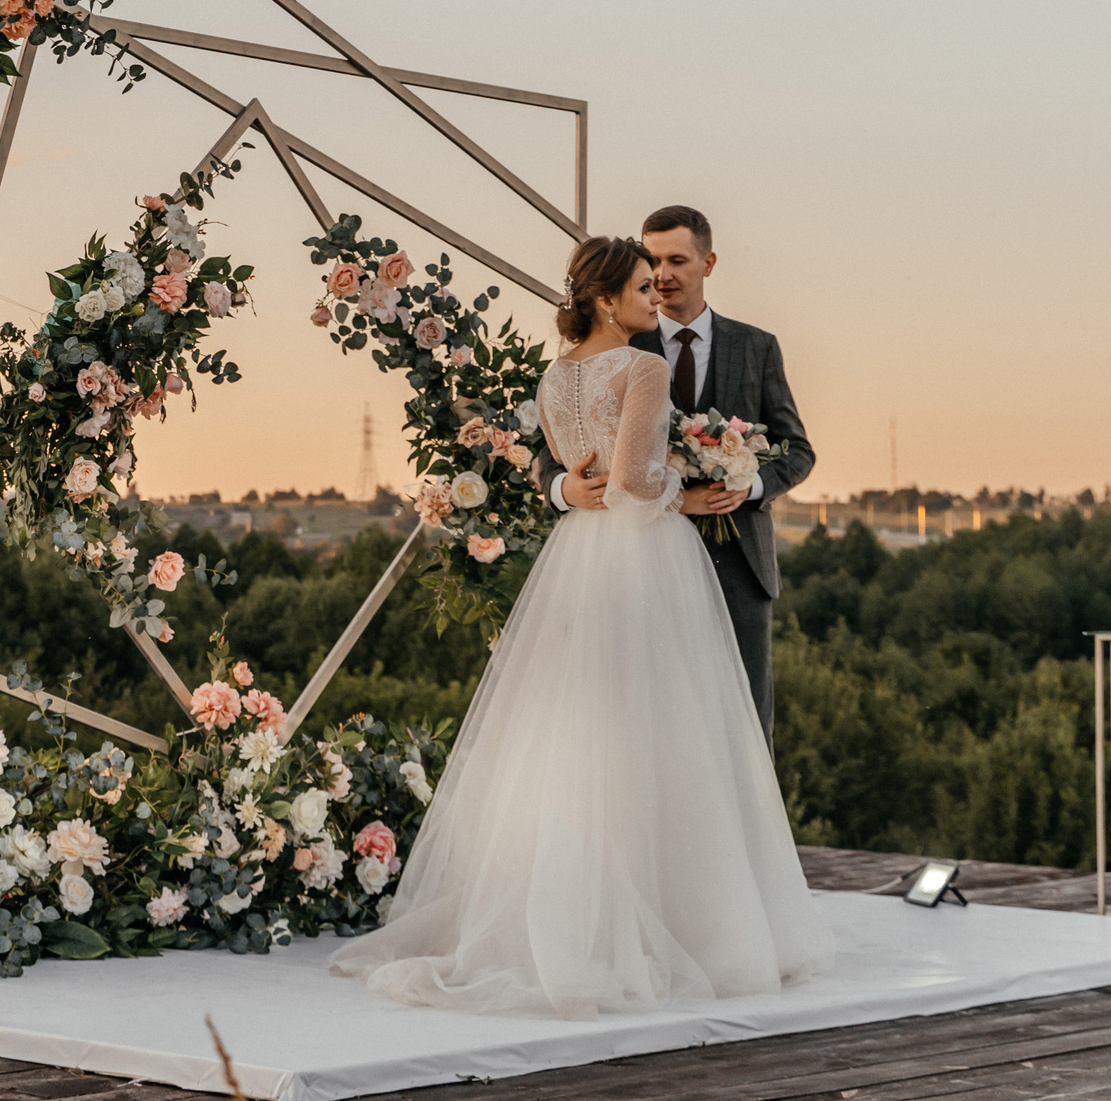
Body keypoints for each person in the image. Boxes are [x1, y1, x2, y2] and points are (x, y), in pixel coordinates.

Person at [328, 237, 828, 1020]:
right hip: (643, 556)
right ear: (605, 299)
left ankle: (572, 915)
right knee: (662, 729)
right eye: (638, 286)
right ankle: (679, 922)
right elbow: (632, 478)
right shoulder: (644, 366)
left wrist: (579, 484)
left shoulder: (554, 374)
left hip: (580, 555)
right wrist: (686, 493)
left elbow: (573, 464)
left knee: (578, 733)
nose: (652, 298)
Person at [535, 205, 812, 733]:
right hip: (634, 562)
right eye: (652, 262)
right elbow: (551, 453)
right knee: (644, 722)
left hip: (738, 565)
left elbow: (797, 448)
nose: (661, 276)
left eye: (677, 260)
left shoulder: (756, 346)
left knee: (743, 726)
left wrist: (746, 485)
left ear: (708, 263)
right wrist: (563, 487)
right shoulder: (618, 345)